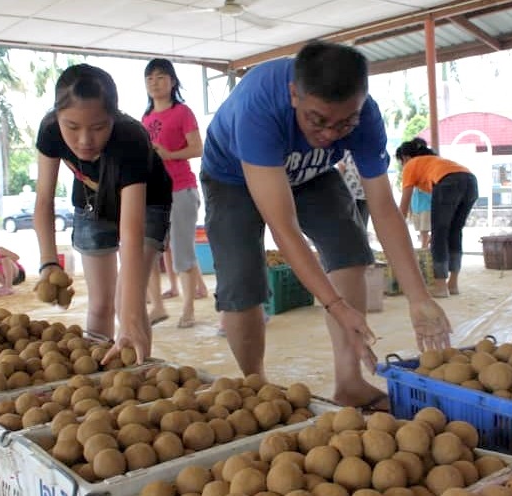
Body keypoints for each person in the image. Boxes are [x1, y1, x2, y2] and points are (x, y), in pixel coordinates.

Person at [200, 41, 452, 410]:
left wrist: (419, 297)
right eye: (318, 120)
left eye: (344, 123)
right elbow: (282, 227)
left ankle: (349, 383)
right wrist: (334, 304)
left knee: (350, 246)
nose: (331, 134)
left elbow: (382, 206)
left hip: (311, 173)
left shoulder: (365, 117)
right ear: (293, 95)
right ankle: (256, 386)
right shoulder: (259, 105)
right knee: (242, 282)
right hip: (233, 177)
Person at [34, 63, 172, 363]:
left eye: (98, 127)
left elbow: (132, 230)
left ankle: (136, 372)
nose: (85, 140)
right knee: (99, 304)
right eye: (72, 127)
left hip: (147, 203)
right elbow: (44, 201)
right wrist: (47, 263)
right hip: (91, 200)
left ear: (114, 117)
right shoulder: (49, 132)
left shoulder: (131, 138)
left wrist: (133, 314)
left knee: (128, 302)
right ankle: (96, 373)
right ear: (57, 116)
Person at [142, 58, 208, 329]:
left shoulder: (183, 112)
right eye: (149, 79)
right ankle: (157, 307)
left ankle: (188, 309)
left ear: (172, 81)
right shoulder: (145, 118)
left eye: (160, 77)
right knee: (148, 250)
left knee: (182, 252)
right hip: (153, 193)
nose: (154, 83)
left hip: (181, 188)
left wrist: (169, 154)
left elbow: (197, 148)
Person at [395, 139, 478, 298]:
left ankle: (440, 286)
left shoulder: (412, 165)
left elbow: (404, 205)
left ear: (405, 158)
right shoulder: (436, 161)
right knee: (454, 232)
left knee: (439, 234)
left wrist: (394, 229)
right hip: (471, 181)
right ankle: (452, 284)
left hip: (448, 182)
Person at [336, 150, 369, 230]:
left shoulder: (347, 151)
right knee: (357, 226)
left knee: (355, 225)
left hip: (360, 195)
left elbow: (341, 168)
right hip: (352, 194)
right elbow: (341, 168)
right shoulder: (347, 151)